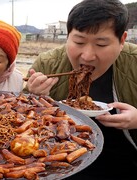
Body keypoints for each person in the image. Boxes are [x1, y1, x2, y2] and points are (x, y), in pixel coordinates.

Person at [25, 0, 137, 179]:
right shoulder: (47, 64)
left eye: (101, 45)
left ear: (122, 40)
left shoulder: (134, 63)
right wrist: (34, 99)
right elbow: (20, 123)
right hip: (60, 165)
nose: (87, 55)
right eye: (79, 41)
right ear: (68, 36)